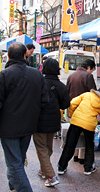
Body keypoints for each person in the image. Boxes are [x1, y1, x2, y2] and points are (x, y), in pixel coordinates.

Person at [0, 42, 48, 192]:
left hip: (8, 126)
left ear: (9, 56)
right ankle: (14, 185)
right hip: (29, 125)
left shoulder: (3, 75)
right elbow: (45, 100)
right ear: (25, 55)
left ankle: (21, 188)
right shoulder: (36, 74)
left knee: (14, 163)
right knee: (18, 159)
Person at [57, 84, 100, 176]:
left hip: (76, 121)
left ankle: (61, 167)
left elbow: (73, 103)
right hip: (89, 125)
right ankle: (88, 168)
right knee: (89, 146)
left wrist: (71, 114)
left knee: (70, 144)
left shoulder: (87, 94)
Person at [33, 58, 70, 187]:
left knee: (41, 148)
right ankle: (43, 169)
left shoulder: (39, 82)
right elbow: (65, 104)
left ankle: (51, 176)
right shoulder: (61, 85)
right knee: (48, 147)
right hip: (54, 119)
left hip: (39, 119)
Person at [66, 59, 97, 164]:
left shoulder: (71, 75)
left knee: (74, 136)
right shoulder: (88, 76)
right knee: (85, 135)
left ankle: (75, 155)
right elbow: (93, 93)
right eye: (92, 70)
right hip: (85, 110)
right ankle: (82, 157)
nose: (91, 72)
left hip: (73, 109)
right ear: (89, 68)